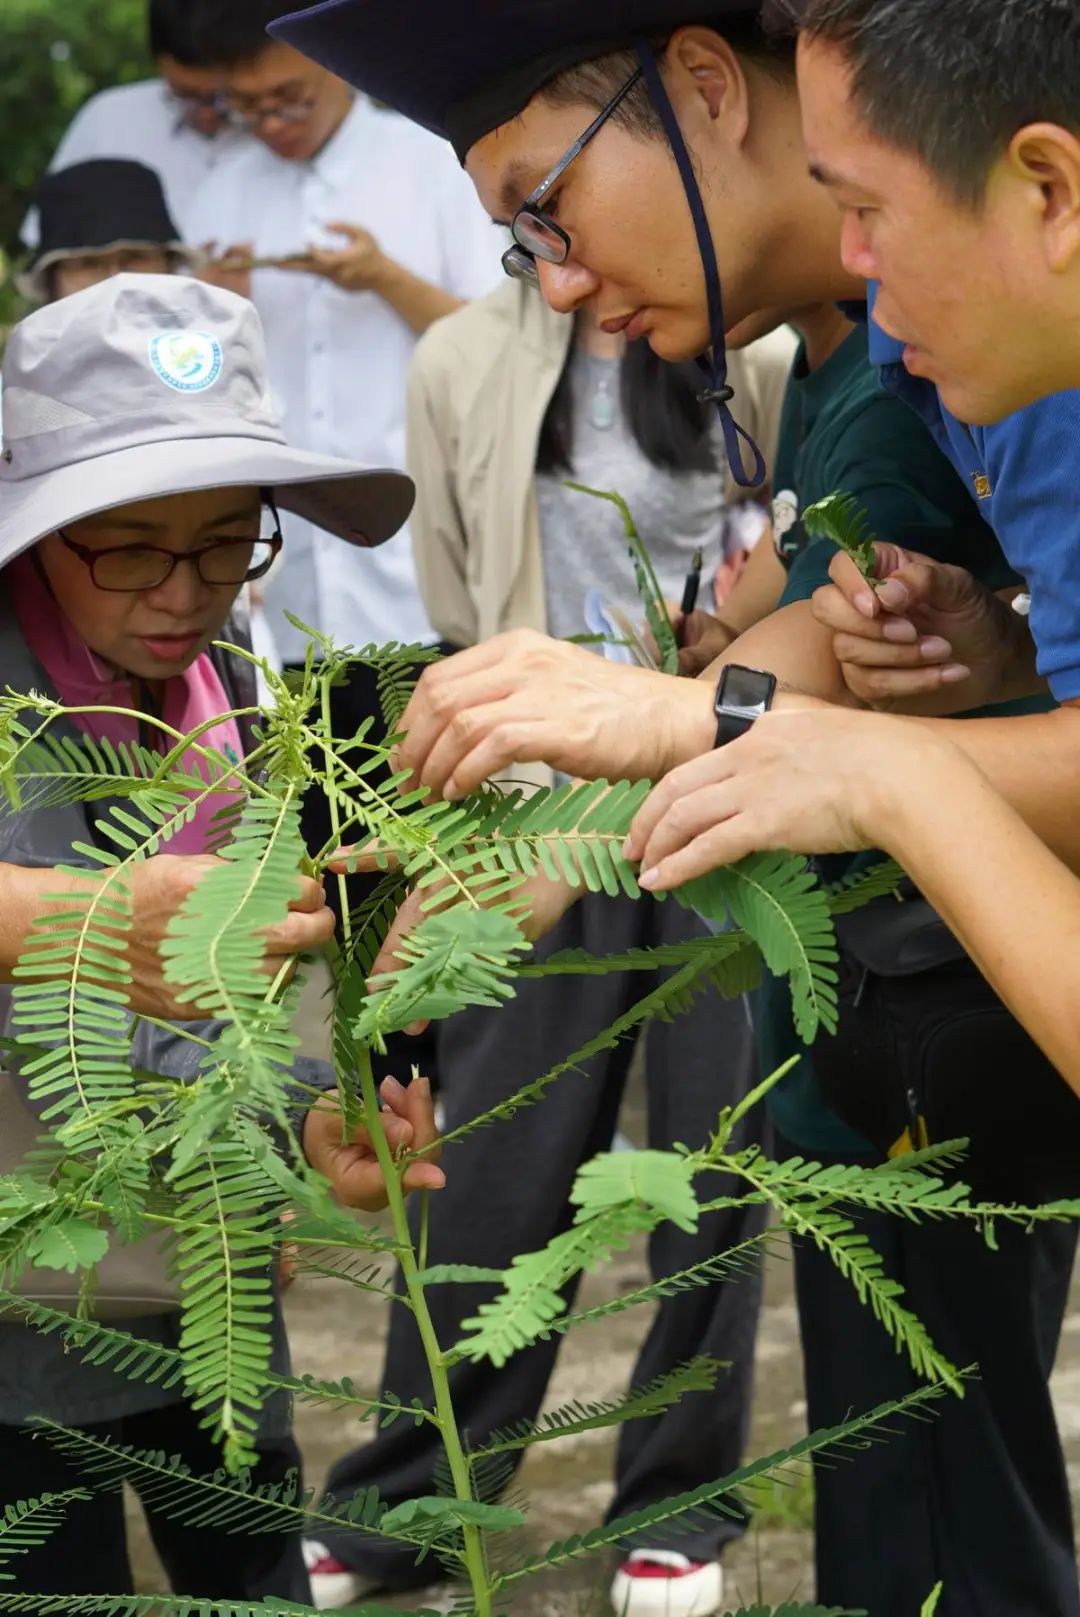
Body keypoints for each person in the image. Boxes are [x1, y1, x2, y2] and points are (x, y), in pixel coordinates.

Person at [266, 5, 1080, 1613]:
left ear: (710, 85)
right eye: (518, 251)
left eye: (546, 214)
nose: (558, 283)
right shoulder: (898, 348)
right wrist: (550, 846)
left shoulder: (1003, 324)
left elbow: (788, 686)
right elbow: (822, 604)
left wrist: (744, 730)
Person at [302, 283, 792, 1617]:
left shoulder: (753, 349)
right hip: (528, 812)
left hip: (710, 788)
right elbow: (460, 595)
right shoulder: (460, 359)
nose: (571, 253)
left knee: (707, 1158)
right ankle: (405, 1498)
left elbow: (786, 554)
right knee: (494, 1160)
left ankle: (681, 1508)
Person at [0, 271, 444, 1602]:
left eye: (226, 542)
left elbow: (240, 981)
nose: (183, 591)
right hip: (25, 1313)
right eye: (130, 545)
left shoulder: (227, 684)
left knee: (251, 1569)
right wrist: (53, 927)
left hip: (210, 1293)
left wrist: (304, 1127)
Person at [23, 0, 241, 244]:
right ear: (158, 63)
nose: (206, 114)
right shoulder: (110, 121)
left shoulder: (279, 133)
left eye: (223, 97)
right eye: (185, 94)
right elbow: (52, 247)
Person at [17, 158, 202, 305]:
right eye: (88, 263)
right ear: (53, 283)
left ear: (169, 266)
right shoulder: (30, 352)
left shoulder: (216, 347)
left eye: (134, 257)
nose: (116, 278)